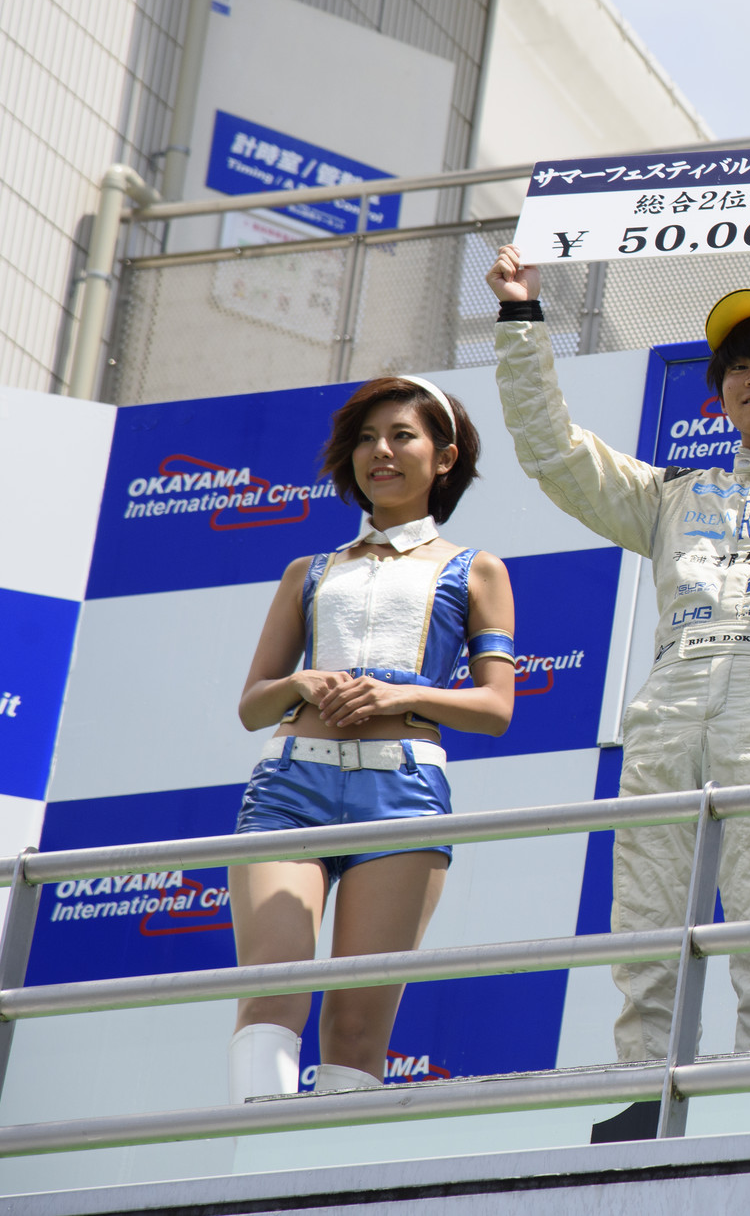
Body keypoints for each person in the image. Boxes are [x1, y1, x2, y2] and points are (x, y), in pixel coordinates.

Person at [489, 217, 750, 1075]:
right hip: (667, 708)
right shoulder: (671, 495)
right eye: (738, 366)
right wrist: (522, 317)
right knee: (645, 940)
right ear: (718, 395)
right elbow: (553, 451)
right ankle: (642, 1097)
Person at [227, 376, 516, 1102]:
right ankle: (254, 1154)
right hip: (290, 787)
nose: (379, 451)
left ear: (444, 457)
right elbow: (253, 705)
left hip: (403, 791)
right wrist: (301, 683)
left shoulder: (476, 568)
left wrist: (403, 694)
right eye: (364, 439)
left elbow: (495, 707)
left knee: (357, 1027)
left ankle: (325, 1167)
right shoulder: (309, 571)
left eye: (400, 435)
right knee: (271, 991)